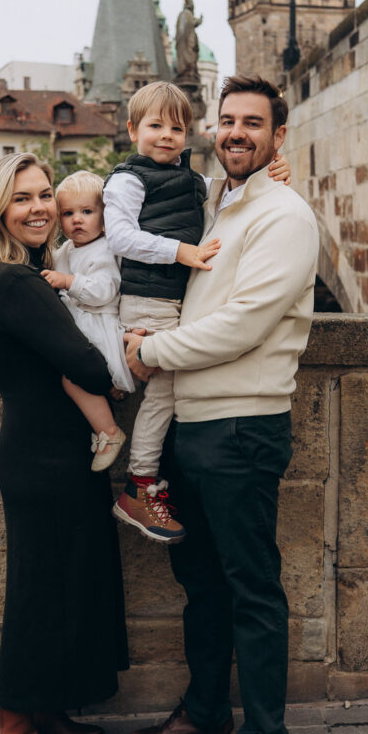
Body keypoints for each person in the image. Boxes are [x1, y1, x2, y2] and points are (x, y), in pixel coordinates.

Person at [123, 75, 319, 734]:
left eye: (253, 124)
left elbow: (242, 324)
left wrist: (152, 353)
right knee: (200, 581)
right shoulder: (221, 201)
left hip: (241, 425)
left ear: (276, 135)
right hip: (190, 424)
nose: (236, 133)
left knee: (250, 587)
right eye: (228, 121)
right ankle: (206, 709)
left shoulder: (285, 215)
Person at [0, 153, 128, 734]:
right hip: (43, 458)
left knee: (65, 585)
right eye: (22, 197)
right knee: (38, 593)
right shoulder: (12, 282)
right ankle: (10, 732)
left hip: (57, 452)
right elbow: (83, 365)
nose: (39, 207)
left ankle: (48, 709)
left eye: (45, 193)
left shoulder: (32, 274)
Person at [103, 81, 291, 546]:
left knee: (156, 387)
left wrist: (274, 173)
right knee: (162, 392)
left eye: (177, 128)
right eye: (155, 126)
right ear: (132, 130)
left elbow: (228, 190)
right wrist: (181, 252)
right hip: (149, 301)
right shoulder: (128, 178)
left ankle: (139, 470)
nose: (166, 136)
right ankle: (140, 483)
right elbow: (119, 237)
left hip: (168, 310)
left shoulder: (192, 181)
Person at [41, 170, 133, 473]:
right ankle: (108, 389)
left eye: (87, 212)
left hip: (98, 325)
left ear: (105, 217)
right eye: (68, 213)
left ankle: (109, 432)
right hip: (81, 325)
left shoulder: (106, 248)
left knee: (73, 378)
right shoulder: (65, 250)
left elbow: (105, 290)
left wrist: (68, 281)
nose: (76, 220)